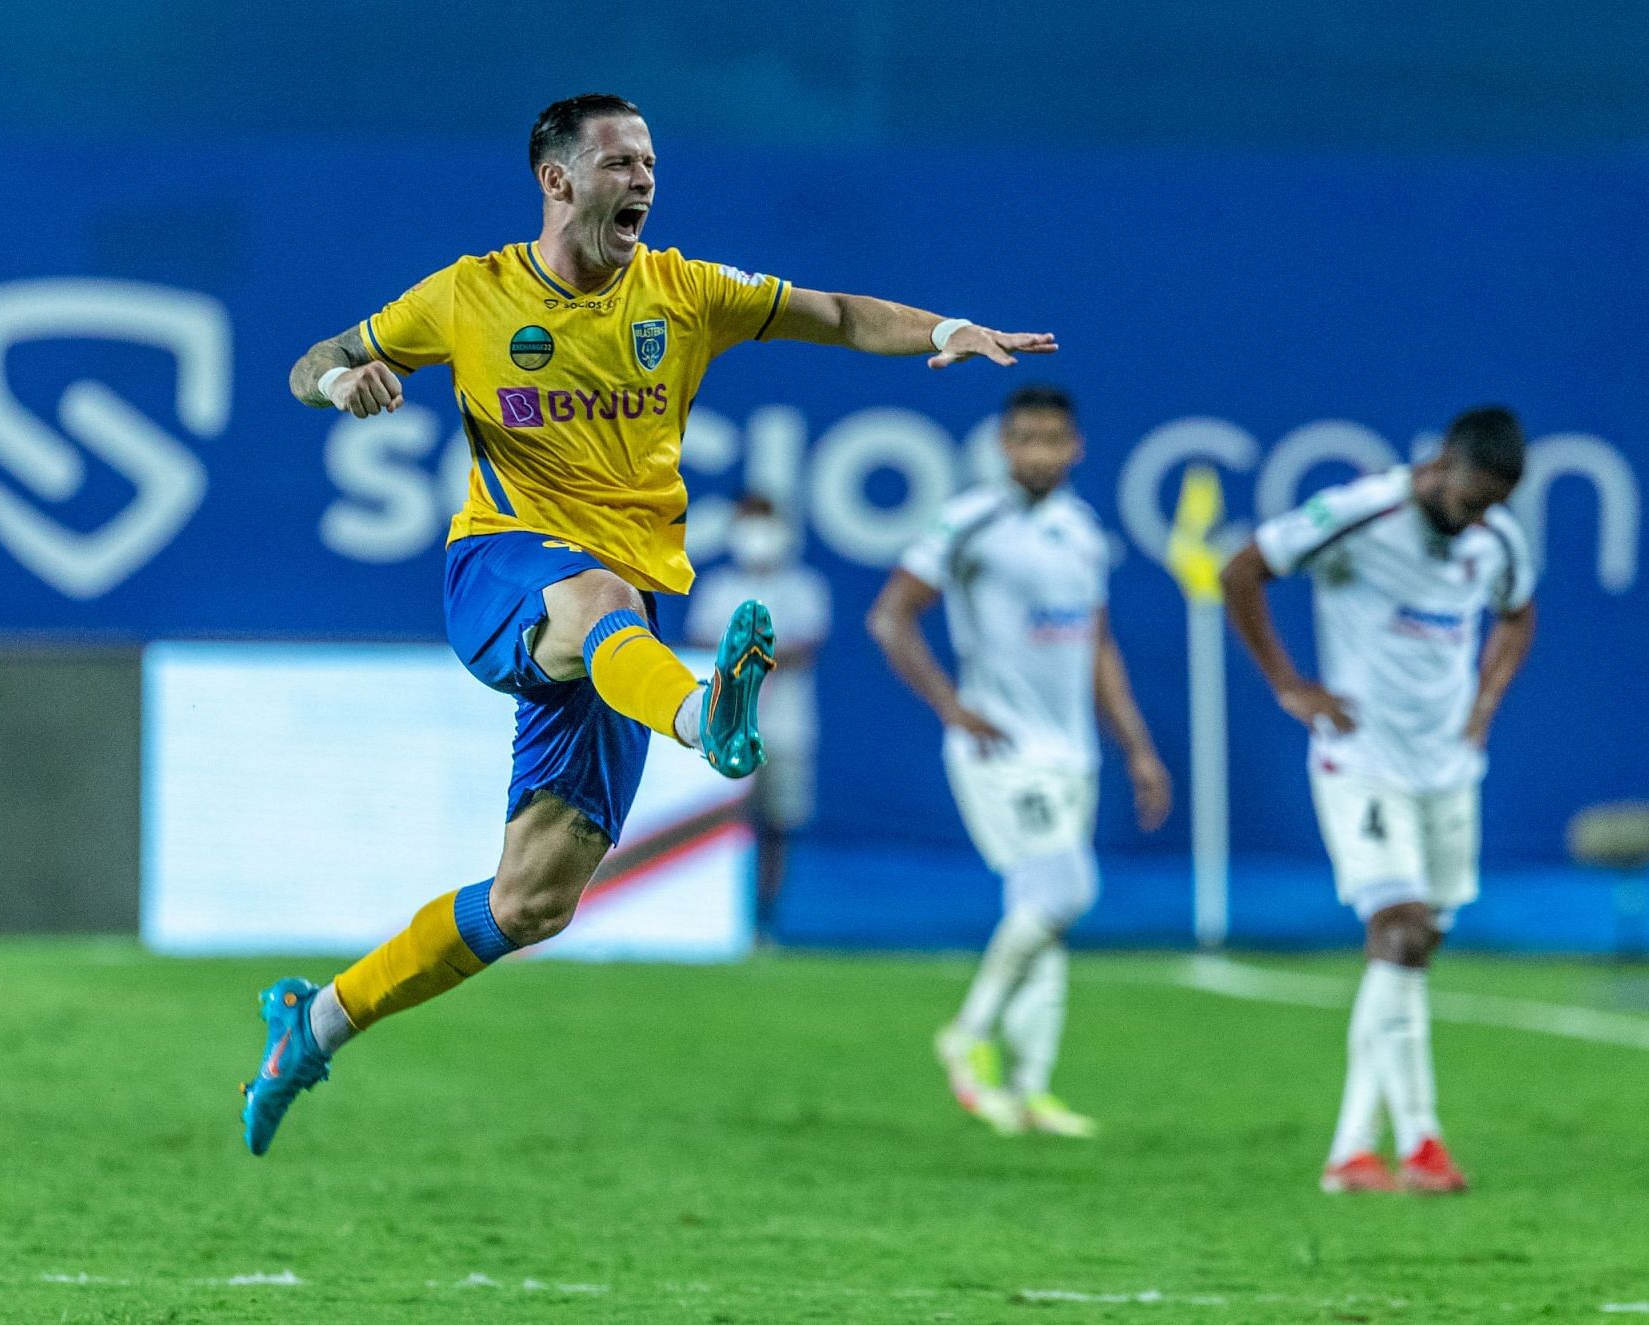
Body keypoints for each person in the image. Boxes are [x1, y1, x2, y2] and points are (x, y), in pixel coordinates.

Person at [241, 93, 1059, 1154]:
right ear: (558, 180)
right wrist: (345, 377)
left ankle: (313, 1023)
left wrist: (947, 330)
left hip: (619, 629)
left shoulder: (685, 290)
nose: (645, 179)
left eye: (651, 162)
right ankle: (704, 717)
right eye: (622, 161)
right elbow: (309, 362)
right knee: (601, 600)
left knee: (531, 903)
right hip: (506, 574)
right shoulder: (466, 294)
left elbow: (839, 314)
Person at [1220, 405, 1537, 1194]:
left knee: (1412, 950)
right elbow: (1242, 569)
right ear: (1439, 465)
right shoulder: (1361, 511)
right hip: (1361, 760)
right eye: (1470, 499)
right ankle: (1417, 1141)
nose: (1477, 518)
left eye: (1493, 504)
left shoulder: (1495, 538)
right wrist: (1290, 685)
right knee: (1401, 931)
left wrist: (1486, 701)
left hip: (1448, 771)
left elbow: (1519, 610)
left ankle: (1358, 1150)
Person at [868, 385, 1169, 1137]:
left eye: (1052, 439)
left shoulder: (1083, 531)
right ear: (1004, 447)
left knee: (1044, 916)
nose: (1038, 452)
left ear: (1076, 448)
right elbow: (890, 615)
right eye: (1025, 438)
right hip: (1000, 750)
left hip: (1073, 753)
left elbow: (1098, 645)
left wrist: (1137, 747)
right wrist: (950, 704)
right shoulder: (972, 521)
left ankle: (1031, 1093)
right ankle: (967, 1035)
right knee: (1065, 886)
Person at [687, 494, 833, 942]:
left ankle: (764, 921)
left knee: (775, 827)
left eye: (765, 525)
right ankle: (718, 918)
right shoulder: (717, 587)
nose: (757, 537)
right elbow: (699, 646)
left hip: (786, 727)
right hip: (725, 725)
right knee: (721, 828)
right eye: (748, 524)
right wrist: (758, 654)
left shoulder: (805, 586)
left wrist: (744, 656)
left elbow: (805, 647)